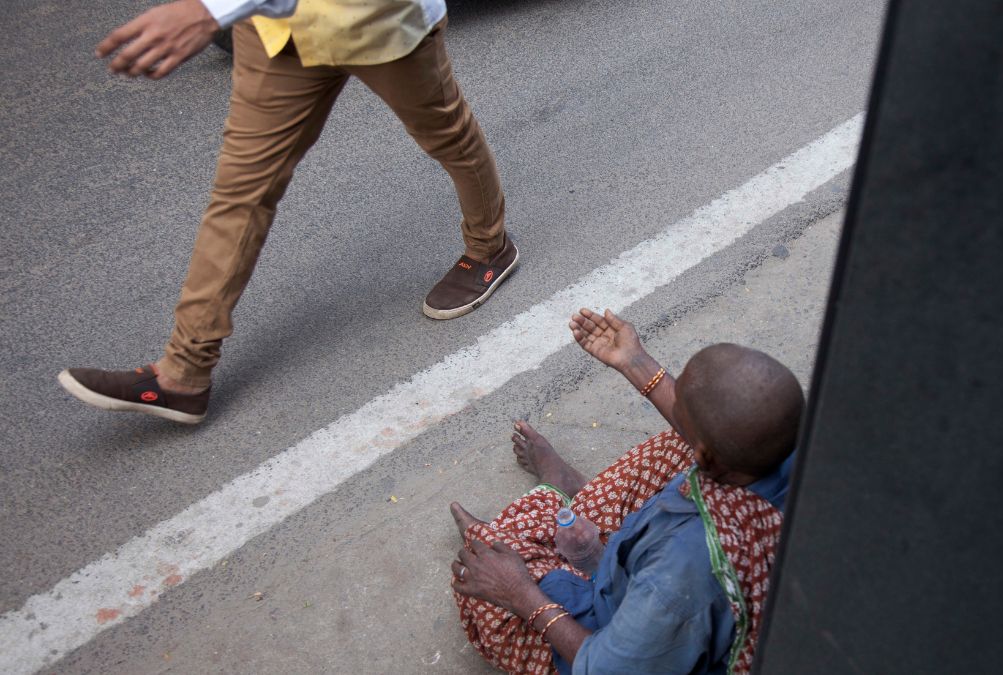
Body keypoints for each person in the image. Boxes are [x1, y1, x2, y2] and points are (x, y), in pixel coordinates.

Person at [57, 0, 517, 424]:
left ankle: (489, 248)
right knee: (241, 191)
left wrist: (209, 9)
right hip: (276, 30)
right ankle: (183, 373)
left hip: (376, 24)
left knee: (449, 138)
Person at [448, 308, 804, 674]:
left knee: (489, 577)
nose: (671, 396)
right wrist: (635, 362)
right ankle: (569, 492)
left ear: (707, 458)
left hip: (617, 638)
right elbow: (710, 432)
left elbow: (604, 668)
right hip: (663, 583)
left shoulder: (676, 580)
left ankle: (559, 494)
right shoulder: (805, 451)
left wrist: (519, 594)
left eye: (678, 402)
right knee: (672, 445)